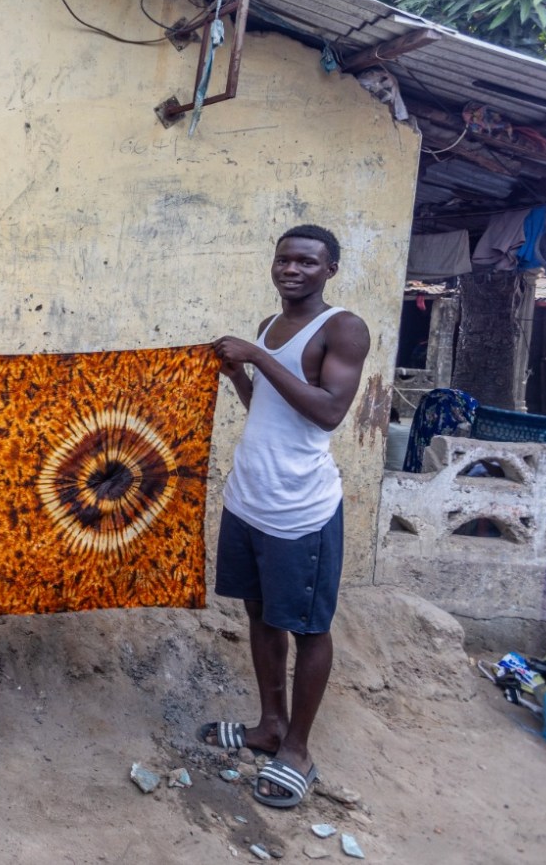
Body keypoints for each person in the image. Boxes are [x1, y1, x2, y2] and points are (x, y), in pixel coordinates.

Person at [201, 224, 370, 809]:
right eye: (283, 259)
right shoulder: (269, 328)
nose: (291, 269)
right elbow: (269, 408)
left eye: (306, 261)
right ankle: (270, 724)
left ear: (330, 269)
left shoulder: (343, 327)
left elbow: (327, 412)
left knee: (309, 625)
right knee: (261, 613)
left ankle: (297, 748)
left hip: (303, 507)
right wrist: (240, 375)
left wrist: (258, 357)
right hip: (251, 495)